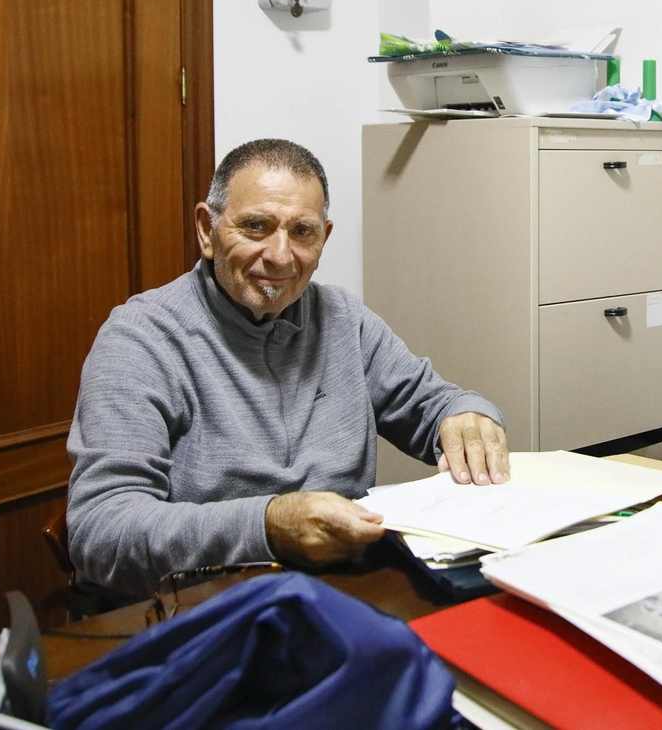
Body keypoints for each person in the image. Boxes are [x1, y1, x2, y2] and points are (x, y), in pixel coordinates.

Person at [66, 138, 509, 596]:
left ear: (324, 237)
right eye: (256, 226)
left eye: (302, 232)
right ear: (206, 230)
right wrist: (270, 524)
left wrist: (466, 413)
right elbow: (101, 531)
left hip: (339, 591)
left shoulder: (343, 319)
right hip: (204, 606)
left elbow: (431, 403)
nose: (280, 256)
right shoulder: (142, 338)